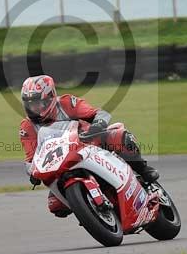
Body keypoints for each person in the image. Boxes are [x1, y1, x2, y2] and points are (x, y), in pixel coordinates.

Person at [19, 74, 159, 217]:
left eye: (37, 102)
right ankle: (89, 210)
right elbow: (30, 159)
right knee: (55, 205)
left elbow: (99, 114)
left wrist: (97, 125)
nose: (33, 107)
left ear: (50, 97)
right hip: (60, 162)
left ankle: (142, 170)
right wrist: (33, 172)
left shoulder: (67, 103)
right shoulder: (27, 127)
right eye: (29, 103)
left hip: (88, 144)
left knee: (118, 136)